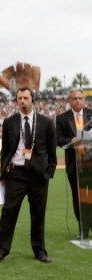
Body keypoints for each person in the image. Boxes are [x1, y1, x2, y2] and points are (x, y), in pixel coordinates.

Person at [0, 87, 56, 263]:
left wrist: (48, 172)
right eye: (19, 98)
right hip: (16, 174)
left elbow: (51, 151)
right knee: (8, 212)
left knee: (38, 214)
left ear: (32, 99)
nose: (22, 101)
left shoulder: (46, 122)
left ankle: (40, 251)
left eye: (25, 98)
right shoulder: (9, 122)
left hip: (38, 176)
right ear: (16, 101)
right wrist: (3, 174)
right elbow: (5, 151)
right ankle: (1, 249)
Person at [56, 88, 92, 229]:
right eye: (74, 98)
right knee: (78, 197)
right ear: (69, 100)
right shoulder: (62, 118)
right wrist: (72, 140)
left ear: (84, 100)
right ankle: (82, 227)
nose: (77, 101)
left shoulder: (91, 115)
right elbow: (58, 139)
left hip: (90, 162)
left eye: (80, 98)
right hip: (74, 165)